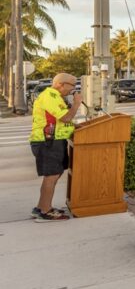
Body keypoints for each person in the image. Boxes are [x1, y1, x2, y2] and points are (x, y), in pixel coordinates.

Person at [29, 73, 82, 222]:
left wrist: (75, 126)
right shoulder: (50, 96)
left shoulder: (56, 97)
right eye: (72, 85)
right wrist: (77, 103)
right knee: (51, 176)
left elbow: (60, 120)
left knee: (53, 174)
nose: (73, 89)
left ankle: (41, 207)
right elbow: (65, 117)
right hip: (47, 141)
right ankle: (45, 212)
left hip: (54, 140)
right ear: (60, 84)